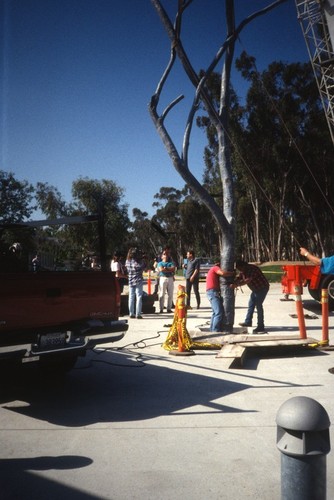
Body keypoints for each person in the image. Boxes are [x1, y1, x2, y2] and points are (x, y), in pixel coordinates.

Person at [234, 260, 270, 334]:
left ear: (243, 266)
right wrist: (235, 280)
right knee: (251, 305)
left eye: (240, 269)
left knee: (258, 306)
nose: (240, 271)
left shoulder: (253, 269)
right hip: (255, 289)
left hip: (262, 288)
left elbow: (248, 280)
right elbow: (240, 277)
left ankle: (261, 326)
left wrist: (237, 284)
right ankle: (248, 322)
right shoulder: (243, 270)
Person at [206, 261, 235, 332]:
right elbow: (222, 273)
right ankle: (215, 330)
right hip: (212, 292)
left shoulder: (212, 269)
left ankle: (212, 330)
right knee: (219, 312)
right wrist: (232, 274)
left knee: (215, 312)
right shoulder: (215, 268)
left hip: (211, 292)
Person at [125, 247, 147, 319]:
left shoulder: (127, 261)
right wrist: (143, 260)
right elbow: (143, 268)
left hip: (130, 280)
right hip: (138, 280)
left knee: (131, 297)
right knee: (139, 297)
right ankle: (138, 314)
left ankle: (131, 313)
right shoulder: (138, 262)